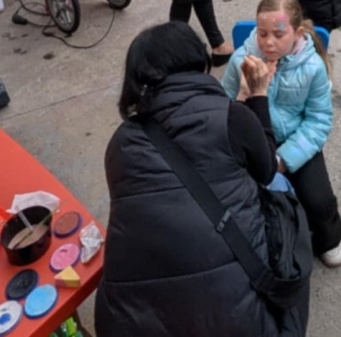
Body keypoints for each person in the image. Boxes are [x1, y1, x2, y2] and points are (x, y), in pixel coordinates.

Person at [96, 22, 310, 337]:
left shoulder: (120, 142)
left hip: (129, 322)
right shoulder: (232, 117)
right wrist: (259, 96)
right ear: (198, 61)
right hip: (245, 323)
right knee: (281, 187)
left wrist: (238, 106)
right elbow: (265, 171)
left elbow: (191, 147)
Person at [222, 0, 341, 267]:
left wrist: (283, 160)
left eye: (278, 34)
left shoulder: (312, 68)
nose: (268, 42)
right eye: (262, 33)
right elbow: (222, 105)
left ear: (298, 33)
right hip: (251, 138)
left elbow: (318, 120)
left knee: (318, 201)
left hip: (294, 141)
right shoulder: (241, 60)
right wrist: (243, 95)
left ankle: (330, 237)